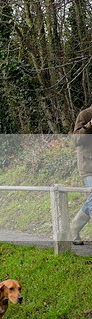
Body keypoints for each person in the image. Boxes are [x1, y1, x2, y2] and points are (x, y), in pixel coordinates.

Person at [71, 104, 92, 244]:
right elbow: (76, 140)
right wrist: (90, 125)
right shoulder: (84, 115)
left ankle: (73, 228)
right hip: (89, 165)